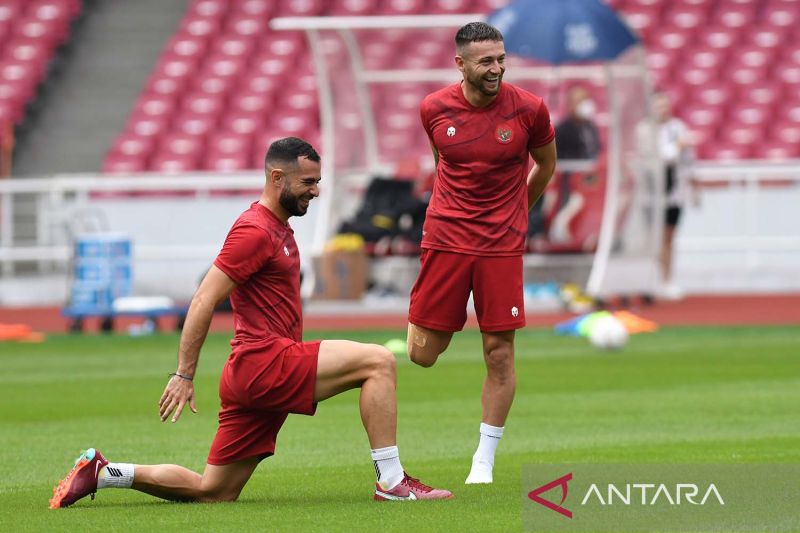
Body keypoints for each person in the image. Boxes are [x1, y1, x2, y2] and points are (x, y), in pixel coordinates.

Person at [50, 137, 452, 509]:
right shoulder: (254, 230)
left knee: (214, 490)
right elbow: (204, 298)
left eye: (317, 182)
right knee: (378, 361)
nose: (315, 190)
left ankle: (105, 473)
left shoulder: (277, 227)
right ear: (277, 178)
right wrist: (184, 374)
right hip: (265, 363)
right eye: (308, 182)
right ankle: (391, 482)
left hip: (253, 374)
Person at [407, 22, 557, 484]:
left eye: (501, 59)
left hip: (501, 245)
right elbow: (443, 164)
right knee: (422, 355)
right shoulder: (433, 108)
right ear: (460, 64)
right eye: (486, 61)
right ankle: (430, 317)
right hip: (446, 239)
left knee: (499, 352)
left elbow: (546, 165)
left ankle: (483, 459)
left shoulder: (529, 109)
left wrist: (517, 211)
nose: (496, 68)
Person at [654, 92, 695, 300]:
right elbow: (662, 157)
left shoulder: (677, 127)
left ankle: (667, 280)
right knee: (656, 238)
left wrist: (694, 185)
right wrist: (677, 146)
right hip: (652, 194)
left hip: (674, 192)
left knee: (669, 236)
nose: (662, 109)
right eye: (658, 105)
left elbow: (688, 160)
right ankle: (655, 279)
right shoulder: (646, 130)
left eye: (665, 105)